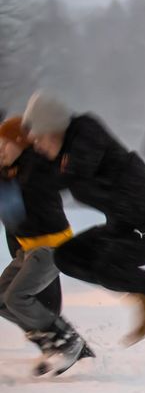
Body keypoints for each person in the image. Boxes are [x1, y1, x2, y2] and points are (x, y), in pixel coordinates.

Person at [22, 92, 145, 348]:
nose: (38, 146)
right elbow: (34, 177)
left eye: (39, 138)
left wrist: (38, 176)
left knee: (108, 268)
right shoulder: (59, 151)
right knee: (67, 257)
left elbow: (73, 175)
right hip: (124, 225)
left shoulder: (86, 132)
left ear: (54, 128)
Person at [0, 116, 92, 375]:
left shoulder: (34, 167)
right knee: (2, 299)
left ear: (21, 143)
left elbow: (13, 208)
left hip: (51, 248)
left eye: (4, 144)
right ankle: (53, 342)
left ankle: (66, 341)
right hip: (28, 250)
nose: (0, 150)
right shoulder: (12, 170)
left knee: (17, 297)